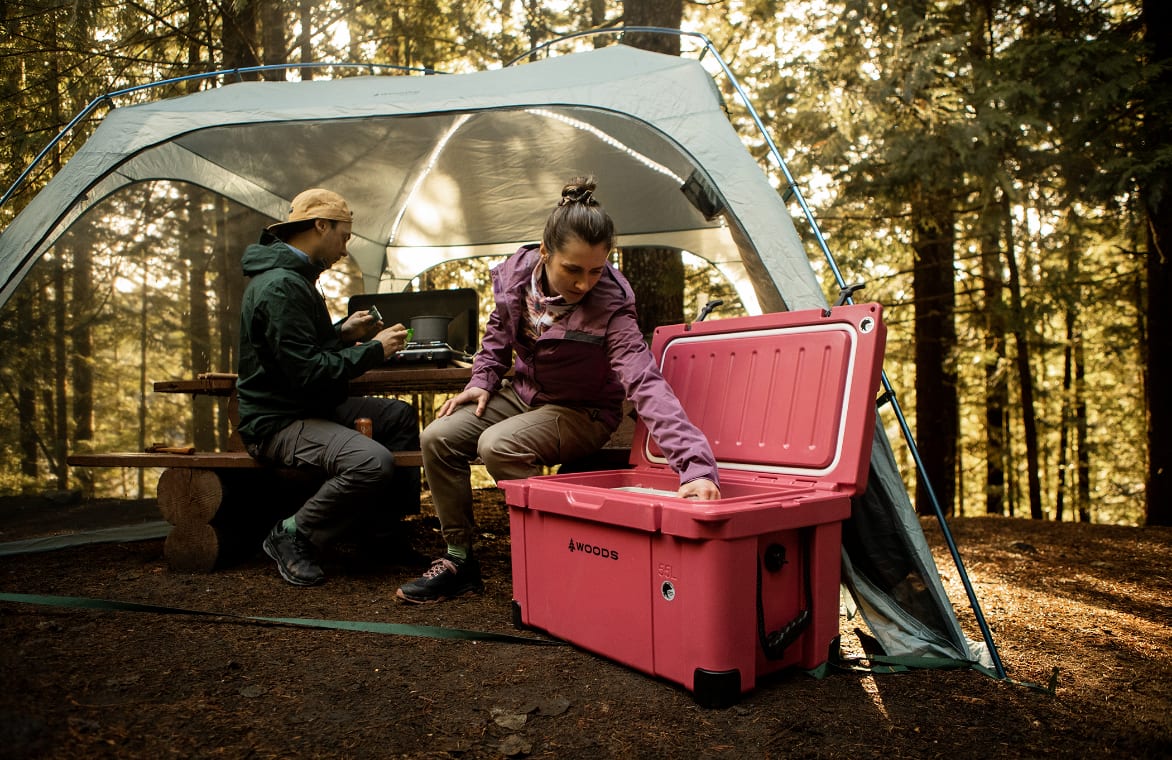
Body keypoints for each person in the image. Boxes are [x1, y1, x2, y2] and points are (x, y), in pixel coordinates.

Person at [396, 176, 721, 604]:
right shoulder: (515, 277)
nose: (584, 283)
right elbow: (497, 333)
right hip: (526, 394)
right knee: (437, 438)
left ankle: (556, 556)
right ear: (545, 253)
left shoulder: (611, 304)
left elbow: (644, 381)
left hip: (583, 411)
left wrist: (696, 467)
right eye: (573, 269)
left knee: (498, 446)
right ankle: (460, 559)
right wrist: (482, 380)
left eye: (596, 270)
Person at [236, 187, 419, 587]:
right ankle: (292, 534)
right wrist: (374, 350)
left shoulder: (296, 278)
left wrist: (342, 332)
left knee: (399, 417)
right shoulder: (281, 286)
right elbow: (308, 372)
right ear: (321, 226)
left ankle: (381, 536)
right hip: (277, 422)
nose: (345, 246)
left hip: (305, 405)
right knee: (373, 462)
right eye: (344, 235)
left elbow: (302, 352)